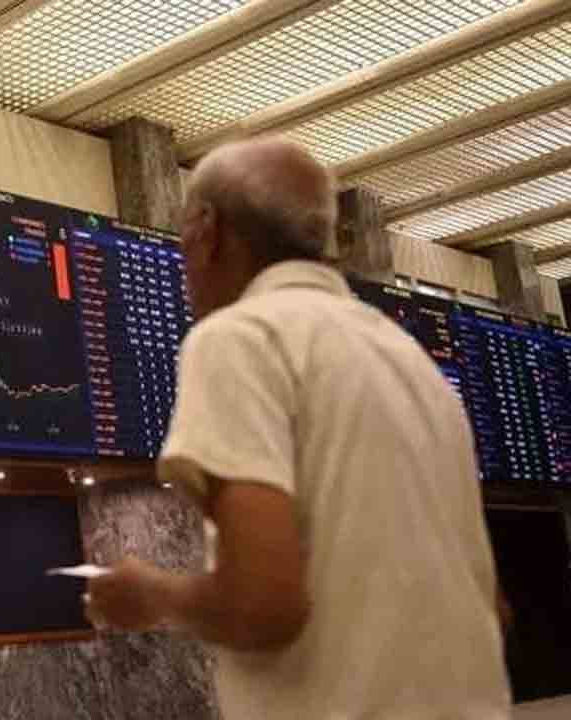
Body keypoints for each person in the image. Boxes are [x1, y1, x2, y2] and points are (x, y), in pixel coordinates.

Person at [84, 136, 512, 718]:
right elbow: (489, 607)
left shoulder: (240, 338)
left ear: (207, 230)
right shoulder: (416, 366)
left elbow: (264, 605)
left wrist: (152, 594)